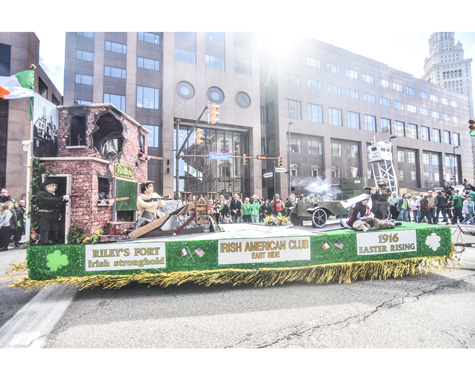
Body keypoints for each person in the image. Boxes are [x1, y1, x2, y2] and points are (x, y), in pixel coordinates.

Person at [37, 179, 70, 245]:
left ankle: (55, 238)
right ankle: (45, 240)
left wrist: (63, 200)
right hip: (45, 214)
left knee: (55, 227)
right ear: (47, 187)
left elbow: (57, 203)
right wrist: (61, 198)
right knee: (46, 227)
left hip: (54, 214)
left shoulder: (55, 195)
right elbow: (48, 201)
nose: (54, 187)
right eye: (52, 186)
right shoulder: (41, 194)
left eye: (55, 186)